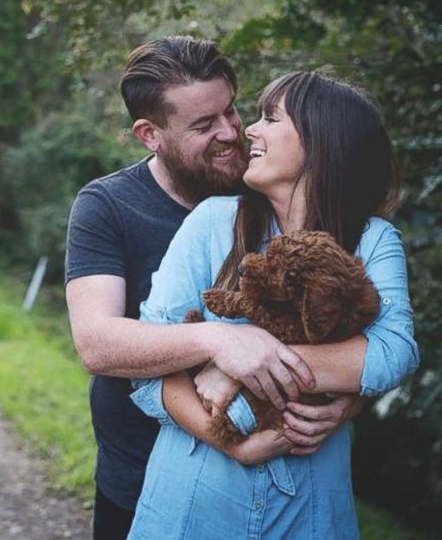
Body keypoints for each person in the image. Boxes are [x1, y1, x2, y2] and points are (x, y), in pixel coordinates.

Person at [65, 37, 369, 539]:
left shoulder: (271, 187)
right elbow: (97, 344)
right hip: (138, 475)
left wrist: (349, 398)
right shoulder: (107, 206)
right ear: (149, 134)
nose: (231, 132)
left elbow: (350, 318)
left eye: (231, 110)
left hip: (276, 488)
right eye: (204, 125)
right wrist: (220, 340)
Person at [126, 71, 419, 539]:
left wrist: (239, 365)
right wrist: (230, 441)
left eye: (270, 118)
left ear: (322, 142)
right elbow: (147, 365)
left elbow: (390, 355)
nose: (250, 131)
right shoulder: (213, 222)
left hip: (310, 509)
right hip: (194, 500)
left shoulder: (373, 241)